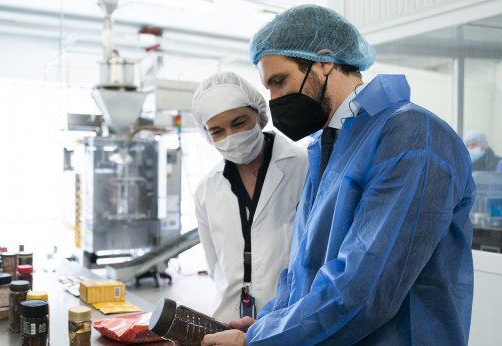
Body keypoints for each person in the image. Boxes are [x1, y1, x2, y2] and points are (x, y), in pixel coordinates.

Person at [202, 5, 475, 346]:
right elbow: (304, 271)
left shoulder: (412, 137)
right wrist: (267, 323)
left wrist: (259, 340)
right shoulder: (328, 146)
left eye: (279, 81)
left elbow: (366, 288)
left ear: (325, 61)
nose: (272, 101)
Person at [191, 71, 309, 323]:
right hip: (228, 319)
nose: (231, 137)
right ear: (206, 134)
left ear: (257, 114)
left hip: (289, 318)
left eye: (239, 122)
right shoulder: (206, 188)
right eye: (217, 131)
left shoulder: (305, 166)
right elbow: (215, 266)